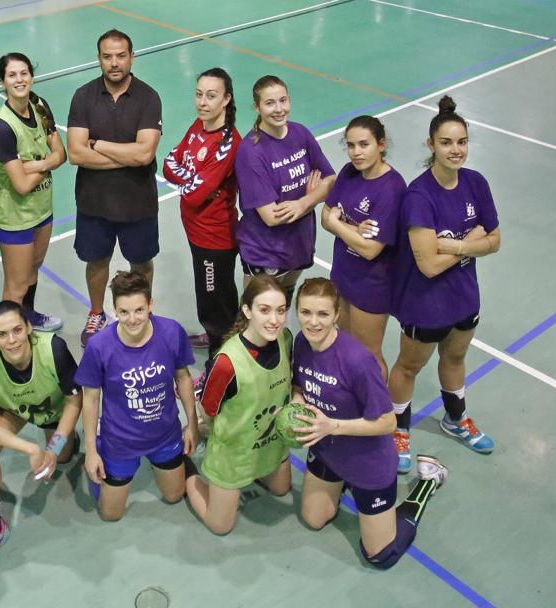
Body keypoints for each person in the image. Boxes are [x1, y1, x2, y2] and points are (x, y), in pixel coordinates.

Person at [291, 278, 449, 570]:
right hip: (327, 451)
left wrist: (332, 427)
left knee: (379, 555)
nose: (313, 322)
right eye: (305, 312)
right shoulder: (301, 343)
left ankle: (426, 484)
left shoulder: (357, 361)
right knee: (314, 519)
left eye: (323, 314)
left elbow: (388, 422)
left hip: (368, 463)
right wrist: (298, 401)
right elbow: (299, 386)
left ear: (337, 315)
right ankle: (341, 485)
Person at [388, 96, 501, 472]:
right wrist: (472, 243)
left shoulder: (476, 183)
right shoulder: (418, 196)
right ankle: (398, 430)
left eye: (462, 142)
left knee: (455, 358)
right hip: (425, 303)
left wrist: (452, 243)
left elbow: (495, 240)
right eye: (447, 143)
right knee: (409, 367)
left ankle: (455, 420)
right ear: (431, 145)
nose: (456, 150)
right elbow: (429, 265)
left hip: (465, 297)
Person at [0, 300, 82, 578]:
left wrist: (52, 448)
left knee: (63, 455)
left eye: (17, 330)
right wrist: (31, 448)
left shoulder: (53, 348)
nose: (12, 340)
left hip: (53, 407)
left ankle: (64, 440)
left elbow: (74, 402)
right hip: (15, 410)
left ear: (29, 328)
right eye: (2, 334)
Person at [76, 271, 198, 521]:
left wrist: (192, 425)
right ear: (114, 309)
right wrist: (90, 451)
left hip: (165, 435)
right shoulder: (99, 346)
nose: (132, 319)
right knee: (110, 514)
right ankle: (101, 451)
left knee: (175, 495)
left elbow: (183, 378)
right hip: (120, 442)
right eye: (124, 312)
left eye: (139, 310)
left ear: (151, 304)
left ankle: (174, 461)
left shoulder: (172, 332)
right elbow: (90, 399)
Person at [67, 29, 163, 346]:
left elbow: (146, 153)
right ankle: (97, 313)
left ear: (131, 57)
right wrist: (129, 155)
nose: (114, 63)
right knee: (97, 262)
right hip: (94, 204)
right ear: (99, 59)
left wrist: (101, 145)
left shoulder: (149, 97)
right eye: (107, 56)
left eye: (121, 55)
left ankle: (142, 311)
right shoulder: (83, 96)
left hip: (138, 203)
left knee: (141, 263)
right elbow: (76, 153)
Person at [185, 275, 293, 534]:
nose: (274, 320)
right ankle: (187, 470)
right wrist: (205, 431)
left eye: (280, 310)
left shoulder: (285, 338)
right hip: (234, 453)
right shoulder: (226, 363)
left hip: (269, 443)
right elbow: (208, 411)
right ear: (247, 310)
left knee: (282, 489)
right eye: (264, 310)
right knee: (219, 525)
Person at [234, 75, 335, 305]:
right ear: (256, 107)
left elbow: (331, 180)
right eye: (270, 103)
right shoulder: (251, 152)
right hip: (266, 251)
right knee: (256, 316)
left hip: (299, 245)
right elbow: (271, 217)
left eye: (283, 100)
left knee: (284, 302)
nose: (279, 109)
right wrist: (312, 198)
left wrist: (302, 202)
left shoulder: (300, 133)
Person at [163, 67, 242, 357]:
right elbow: (169, 162)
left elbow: (195, 196)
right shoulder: (198, 126)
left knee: (215, 304)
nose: (202, 102)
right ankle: (217, 340)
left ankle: (217, 363)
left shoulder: (227, 143)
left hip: (215, 239)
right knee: (212, 298)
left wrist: (188, 179)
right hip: (197, 235)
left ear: (226, 99)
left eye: (211, 96)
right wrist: (193, 177)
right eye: (199, 94)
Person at [320, 115, 406, 380]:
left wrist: (339, 224)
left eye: (364, 144)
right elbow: (324, 217)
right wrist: (353, 230)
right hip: (343, 274)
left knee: (369, 354)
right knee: (345, 345)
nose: (356, 152)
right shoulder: (348, 173)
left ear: (381, 144)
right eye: (351, 145)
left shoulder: (392, 188)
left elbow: (371, 250)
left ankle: (381, 413)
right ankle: (352, 398)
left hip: (372, 285)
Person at [0, 53, 66, 332]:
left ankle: (28, 317)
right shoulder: (0, 127)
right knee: (15, 286)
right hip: (15, 218)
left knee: (32, 270)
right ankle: (5, 339)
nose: (19, 80)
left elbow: (61, 153)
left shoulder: (39, 104)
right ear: (2, 81)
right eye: (12, 75)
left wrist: (36, 165)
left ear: (31, 75)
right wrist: (48, 163)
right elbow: (20, 185)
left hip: (42, 210)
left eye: (24, 73)